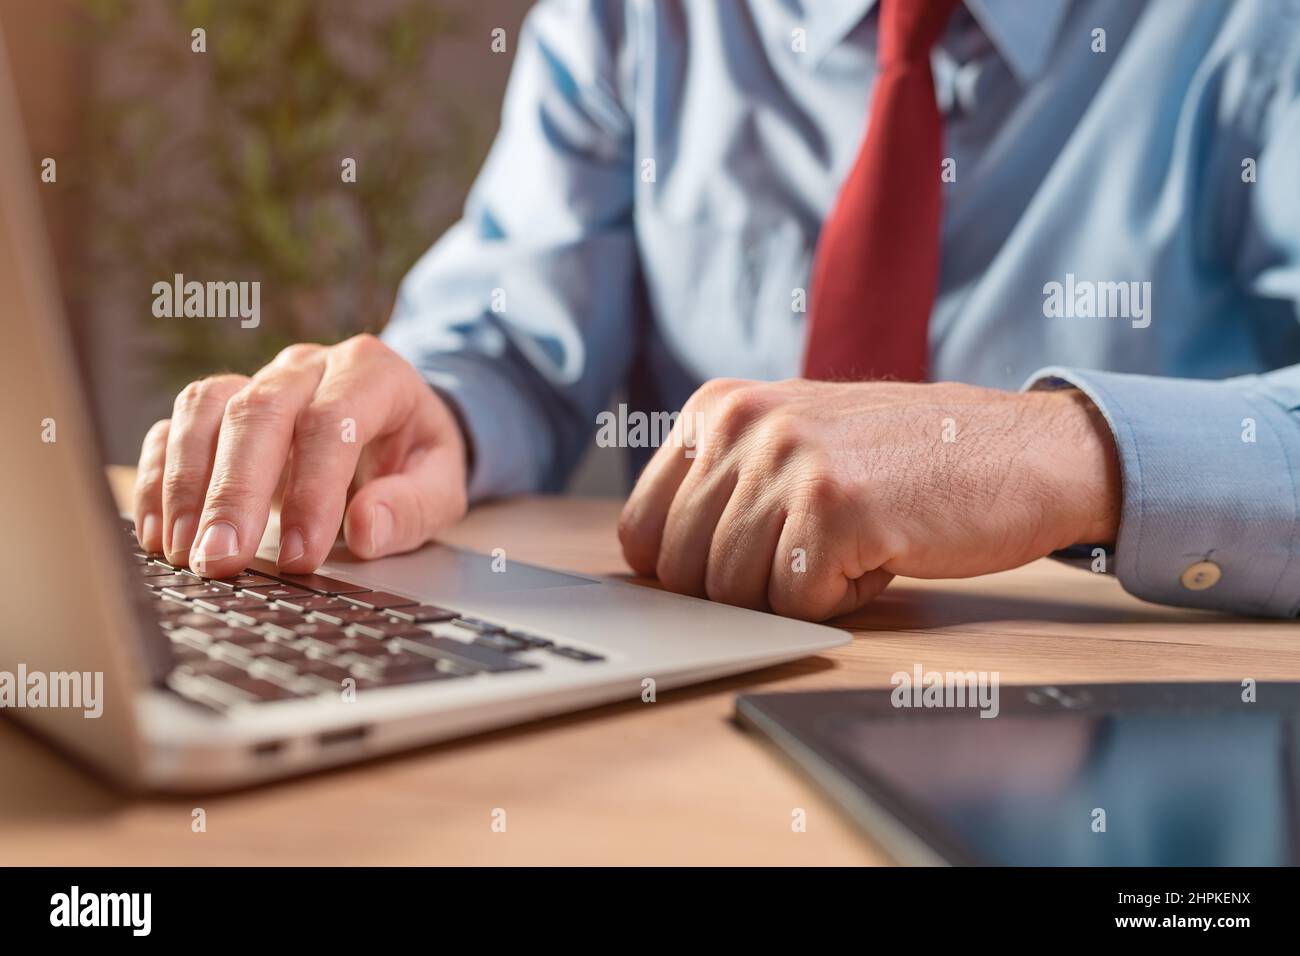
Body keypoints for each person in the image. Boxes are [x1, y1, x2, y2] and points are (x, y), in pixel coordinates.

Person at [133, 0, 1300, 621]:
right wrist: (430, 407)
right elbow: (506, 337)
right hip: (705, 715)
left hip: (1121, 748)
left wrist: (1064, 449)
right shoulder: (636, 18)